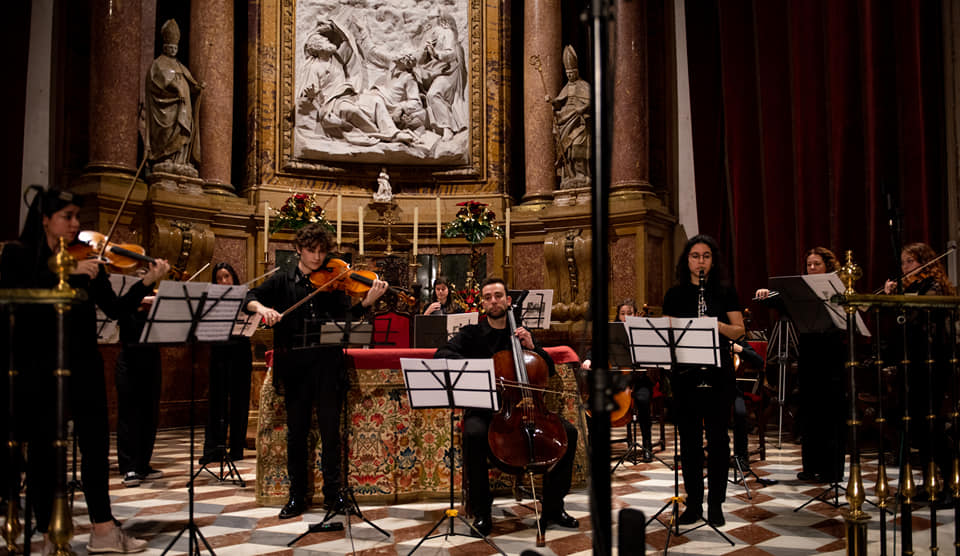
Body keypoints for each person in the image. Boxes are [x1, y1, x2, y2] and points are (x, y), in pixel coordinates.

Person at [0, 186, 169, 553]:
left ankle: (103, 530)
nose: (75, 225)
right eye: (67, 217)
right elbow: (16, 297)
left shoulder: (87, 258)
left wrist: (145, 282)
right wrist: (66, 270)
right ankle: (47, 532)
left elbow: (116, 309)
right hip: (40, 367)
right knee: (46, 451)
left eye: (78, 217)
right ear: (45, 219)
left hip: (85, 363)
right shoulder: (18, 254)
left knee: (94, 448)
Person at [244, 223, 388, 519]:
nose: (317, 257)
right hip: (294, 368)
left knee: (331, 433)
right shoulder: (282, 281)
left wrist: (366, 303)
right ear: (298, 249)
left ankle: (334, 496)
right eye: (311, 250)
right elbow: (248, 297)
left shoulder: (334, 282)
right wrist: (262, 309)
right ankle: (296, 496)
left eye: (322, 251)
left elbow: (346, 320)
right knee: (296, 434)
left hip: (327, 367)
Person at [434, 278, 579, 537]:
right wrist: (478, 368)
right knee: (473, 434)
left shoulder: (522, 334)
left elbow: (549, 367)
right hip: (485, 409)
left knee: (569, 432)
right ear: (482, 303)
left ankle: (554, 508)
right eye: (488, 297)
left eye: (498, 296)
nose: (493, 301)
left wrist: (533, 347)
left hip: (527, 410)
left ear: (508, 301)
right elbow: (442, 354)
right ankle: (482, 510)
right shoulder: (471, 334)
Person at [663, 235, 744, 527]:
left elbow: (739, 331)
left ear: (713, 260)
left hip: (719, 373)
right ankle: (694, 503)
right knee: (690, 444)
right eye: (695, 255)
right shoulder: (675, 294)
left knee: (719, 441)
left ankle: (716, 504)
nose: (700, 261)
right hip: (686, 375)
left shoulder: (724, 292)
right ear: (687, 260)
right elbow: (667, 332)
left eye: (706, 256)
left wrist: (714, 324)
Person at [756, 247, 845, 484]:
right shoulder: (799, 290)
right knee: (810, 410)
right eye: (809, 265)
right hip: (809, 354)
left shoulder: (837, 287)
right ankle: (811, 466)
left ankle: (832, 470)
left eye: (817, 264)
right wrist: (766, 293)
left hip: (832, 354)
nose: (812, 268)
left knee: (830, 412)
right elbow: (777, 301)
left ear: (828, 266)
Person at [882, 242, 956, 507]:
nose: (905, 268)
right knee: (918, 428)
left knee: (933, 426)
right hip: (911, 363)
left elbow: (916, 319)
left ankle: (950, 483)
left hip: (933, 364)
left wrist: (896, 298)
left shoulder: (933, 286)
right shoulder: (912, 287)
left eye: (910, 262)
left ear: (925, 262)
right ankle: (929, 481)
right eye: (902, 263)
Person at [581, 300, 657, 463]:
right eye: (622, 313)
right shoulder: (611, 332)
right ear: (618, 315)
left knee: (643, 400)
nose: (625, 316)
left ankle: (647, 445)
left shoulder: (643, 332)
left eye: (629, 313)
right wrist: (588, 360)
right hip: (616, 381)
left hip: (639, 380)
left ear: (636, 315)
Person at [201, 263, 254, 466]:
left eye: (227, 277)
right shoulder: (212, 300)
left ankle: (237, 448)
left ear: (234, 277)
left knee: (239, 401)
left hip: (240, 351)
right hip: (219, 351)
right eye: (219, 278)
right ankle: (214, 448)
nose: (224, 281)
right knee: (217, 401)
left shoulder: (246, 297)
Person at [115, 275, 163, 487]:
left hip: (152, 359)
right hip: (129, 360)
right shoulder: (128, 304)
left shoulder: (156, 309)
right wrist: (139, 302)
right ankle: (129, 467)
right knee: (129, 414)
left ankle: (143, 463)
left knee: (150, 413)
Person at [145, 19, 204, 172]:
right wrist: (175, 88)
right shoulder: (158, 63)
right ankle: (167, 157)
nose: (172, 50)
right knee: (171, 130)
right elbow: (159, 81)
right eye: (170, 47)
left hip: (184, 106)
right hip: (168, 107)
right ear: (165, 47)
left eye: (174, 48)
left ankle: (181, 159)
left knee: (184, 129)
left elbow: (190, 83)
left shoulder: (180, 66)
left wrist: (197, 87)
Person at [417, 11, 466, 140]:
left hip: (448, 71)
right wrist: (424, 49)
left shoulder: (446, 33)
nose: (428, 21)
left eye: (431, 18)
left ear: (439, 19)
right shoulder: (430, 34)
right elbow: (420, 60)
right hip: (433, 73)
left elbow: (451, 54)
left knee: (433, 94)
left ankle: (447, 128)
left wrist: (436, 53)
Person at [550, 45, 591, 188]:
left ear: (577, 71)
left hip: (578, 121)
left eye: (571, 72)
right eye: (567, 73)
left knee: (577, 147)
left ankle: (582, 175)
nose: (569, 75)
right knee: (567, 151)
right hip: (566, 119)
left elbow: (591, 101)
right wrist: (552, 101)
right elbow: (559, 101)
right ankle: (569, 176)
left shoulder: (584, 85)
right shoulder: (566, 88)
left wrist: (583, 108)